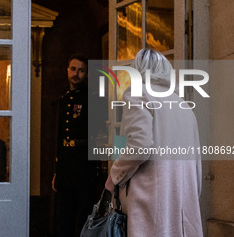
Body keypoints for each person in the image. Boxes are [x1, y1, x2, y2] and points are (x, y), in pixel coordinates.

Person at [105, 49, 203, 236]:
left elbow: (139, 146)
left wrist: (115, 174)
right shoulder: (184, 105)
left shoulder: (138, 94)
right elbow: (196, 163)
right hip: (182, 208)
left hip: (150, 204)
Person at [52, 53, 99, 237]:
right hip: (65, 168)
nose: (76, 74)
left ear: (86, 74)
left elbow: (100, 135)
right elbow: (60, 138)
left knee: (84, 217)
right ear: (67, 70)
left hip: (84, 165)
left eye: (81, 70)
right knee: (63, 218)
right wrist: (57, 170)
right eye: (73, 69)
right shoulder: (63, 100)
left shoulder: (92, 98)